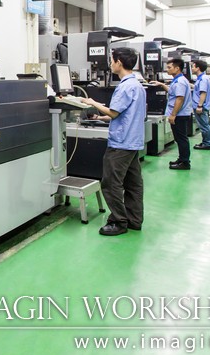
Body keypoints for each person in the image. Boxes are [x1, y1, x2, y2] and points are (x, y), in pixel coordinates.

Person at [81, 47, 146, 236]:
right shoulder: (137, 85)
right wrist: (99, 118)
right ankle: (134, 220)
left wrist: (91, 102)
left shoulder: (125, 87)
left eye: (111, 60)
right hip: (133, 142)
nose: (110, 64)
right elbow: (125, 114)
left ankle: (118, 221)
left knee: (111, 184)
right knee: (133, 184)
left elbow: (114, 112)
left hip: (121, 144)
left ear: (119, 62)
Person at [150, 58, 192, 170]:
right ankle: (182, 159)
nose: (167, 70)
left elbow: (179, 99)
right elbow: (172, 92)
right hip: (180, 114)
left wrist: (173, 115)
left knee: (181, 139)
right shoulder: (178, 80)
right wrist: (161, 84)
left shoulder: (180, 82)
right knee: (179, 139)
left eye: (169, 67)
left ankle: (185, 162)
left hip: (179, 115)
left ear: (177, 68)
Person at [191, 60, 210, 150]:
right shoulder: (201, 78)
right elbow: (198, 88)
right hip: (199, 105)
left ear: (198, 68)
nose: (191, 68)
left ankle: (207, 144)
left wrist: (199, 106)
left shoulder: (203, 79)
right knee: (204, 125)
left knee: (204, 126)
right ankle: (206, 142)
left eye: (193, 66)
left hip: (201, 106)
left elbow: (203, 93)